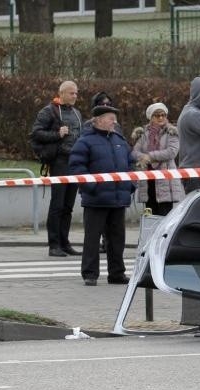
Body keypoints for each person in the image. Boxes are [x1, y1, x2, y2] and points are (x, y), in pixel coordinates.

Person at [69, 104, 134, 286]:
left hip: (118, 198)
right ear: (98, 120)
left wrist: (130, 185)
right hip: (96, 199)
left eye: (114, 118)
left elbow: (131, 164)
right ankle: (90, 274)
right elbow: (77, 167)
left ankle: (117, 273)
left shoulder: (119, 140)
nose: (114, 121)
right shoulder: (85, 141)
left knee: (117, 239)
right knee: (92, 238)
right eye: (110, 118)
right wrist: (92, 186)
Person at [31, 80, 83, 257]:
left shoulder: (77, 113)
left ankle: (65, 242)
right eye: (71, 93)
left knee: (68, 206)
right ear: (61, 93)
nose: (75, 96)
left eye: (76, 93)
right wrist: (57, 134)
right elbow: (35, 133)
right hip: (59, 162)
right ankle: (54, 244)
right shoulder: (48, 111)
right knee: (57, 204)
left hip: (75, 162)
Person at [84, 91, 122, 253]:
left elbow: (125, 156)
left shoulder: (116, 128)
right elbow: (81, 158)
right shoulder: (87, 128)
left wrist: (128, 185)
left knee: (115, 232)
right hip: (97, 189)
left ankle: (116, 268)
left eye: (108, 104)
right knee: (94, 229)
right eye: (103, 104)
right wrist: (91, 187)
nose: (106, 106)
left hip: (116, 188)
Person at [131, 102, 186, 216]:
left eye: (163, 115)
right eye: (157, 115)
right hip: (148, 181)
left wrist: (149, 156)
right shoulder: (144, 134)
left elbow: (171, 152)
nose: (161, 118)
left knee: (165, 216)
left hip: (165, 182)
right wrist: (143, 157)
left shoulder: (171, 132)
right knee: (150, 216)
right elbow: (134, 152)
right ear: (150, 117)